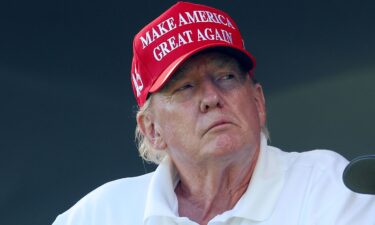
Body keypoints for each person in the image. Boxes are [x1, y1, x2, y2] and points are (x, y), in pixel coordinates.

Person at [52, 2, 375, 225]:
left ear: (258, 101)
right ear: (152, 129)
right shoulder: (100, 215)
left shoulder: (330, 188)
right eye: (185, 88)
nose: (211, 97)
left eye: (226, 77)